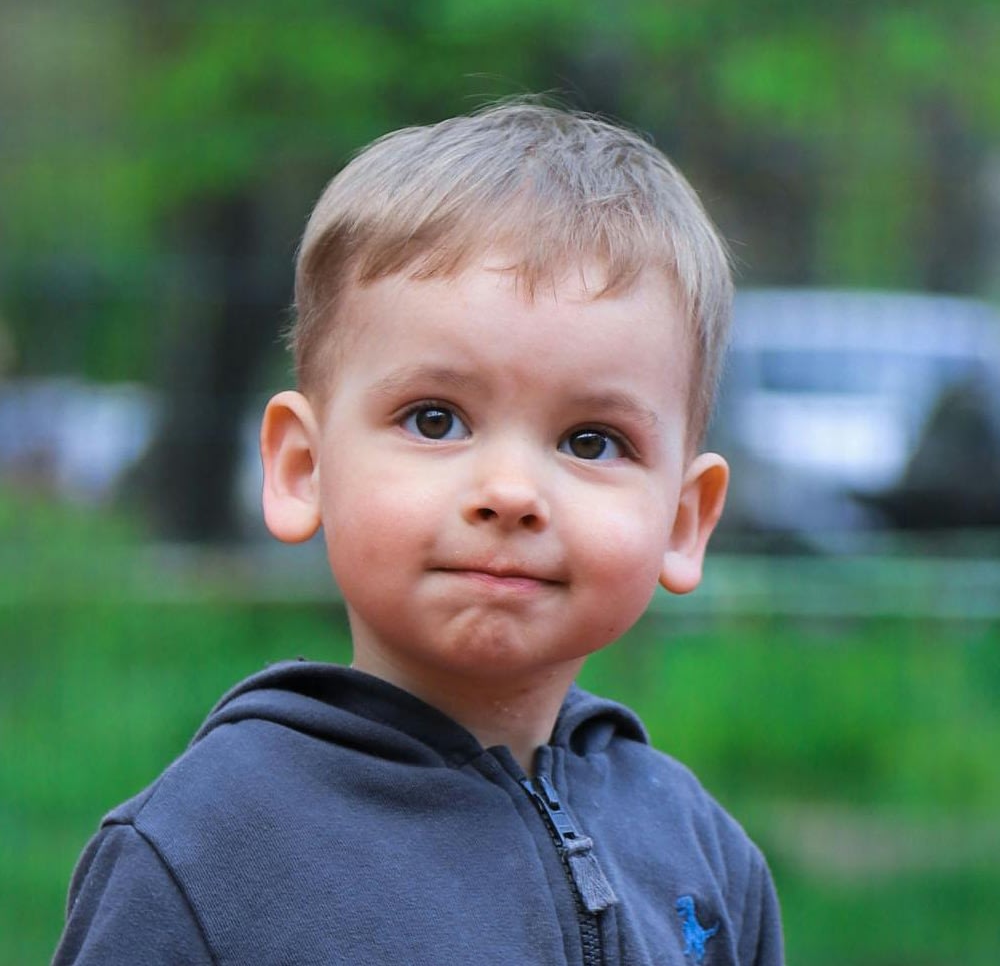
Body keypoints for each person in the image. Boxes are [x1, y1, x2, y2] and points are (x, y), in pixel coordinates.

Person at [53, 101, 784, 965]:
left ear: (684, 520)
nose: (510, 493)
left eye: (592, 441)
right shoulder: (200, 857)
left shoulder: (703, 853)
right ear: (301, 467)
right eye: (434, 420)